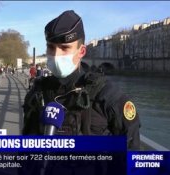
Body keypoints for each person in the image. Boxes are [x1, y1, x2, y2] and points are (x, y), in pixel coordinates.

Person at [22, 10, 140, 150]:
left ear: (82, 52)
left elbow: (132, 150)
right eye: (51, 47)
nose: (56, 55)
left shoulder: (107, 96)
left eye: (64, 48)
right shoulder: (37, 93)